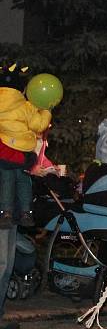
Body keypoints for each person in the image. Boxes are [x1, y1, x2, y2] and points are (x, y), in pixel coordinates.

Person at [0, 69, 52, 228]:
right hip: (23, 152)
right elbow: (39, 125)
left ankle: (6, 212)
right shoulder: (25, 106)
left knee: (6, 180)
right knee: (23, 181)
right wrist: (46, 110)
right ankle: (25, 212)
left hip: (5, 151)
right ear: (21, 89)